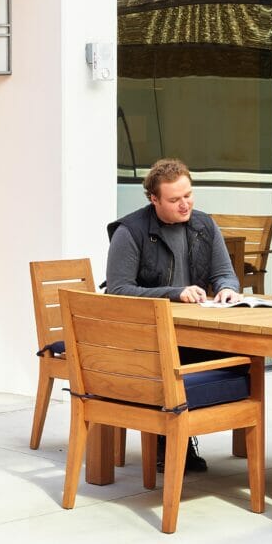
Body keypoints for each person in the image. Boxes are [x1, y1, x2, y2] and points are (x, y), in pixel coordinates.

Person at [104, 159, 241, 474]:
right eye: (174, 199)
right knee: (173, 361)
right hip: (145, 336)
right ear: (154, 200)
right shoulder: (131, 231)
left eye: (189, 196)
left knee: (236, 353)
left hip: (192, 330)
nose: (185, 205)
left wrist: (227, 289)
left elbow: (225, 274)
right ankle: (171, 439)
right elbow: (118, 291)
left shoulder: (204, 226)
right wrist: (173, 292)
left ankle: (183, 434)